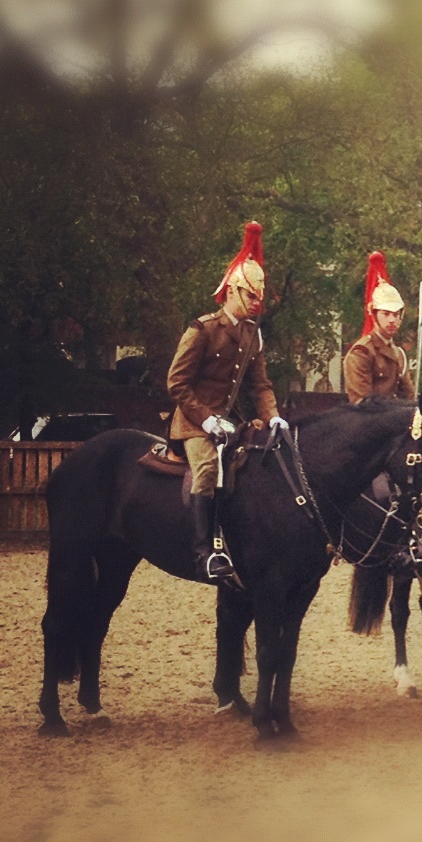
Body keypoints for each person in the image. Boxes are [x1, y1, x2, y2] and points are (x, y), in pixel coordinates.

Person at [167, 221, 282, 587]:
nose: (255, 305)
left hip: (233, 420)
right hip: (194, 421)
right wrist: (206, 420)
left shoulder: (252, 335)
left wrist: (274, 417)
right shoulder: (203, 330)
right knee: (207, 469)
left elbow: (260, 385)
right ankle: (205, 551)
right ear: (233, 291)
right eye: (251, 298)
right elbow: (177, 383)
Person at [342, 251, 416, 403]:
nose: (391, 320)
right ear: (374, 314)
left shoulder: (399, 354)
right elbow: (362, 403)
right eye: (386, 314)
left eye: (396, 315)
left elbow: (408, 396)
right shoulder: (361, 352)